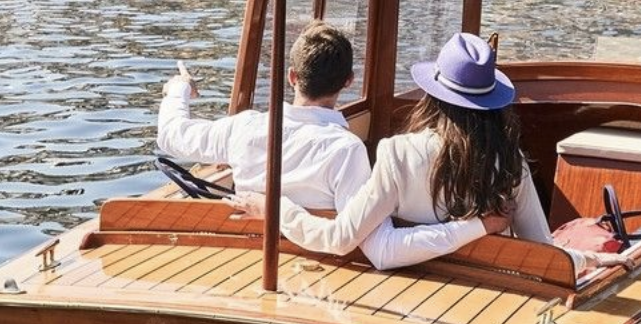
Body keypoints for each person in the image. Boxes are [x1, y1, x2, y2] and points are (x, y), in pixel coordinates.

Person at [247, 30, 585, 273]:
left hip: (405, 291)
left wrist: (276, 209)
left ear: (433, 95)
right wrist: (586, 259)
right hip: (486, 293)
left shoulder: (398, 154)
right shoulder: (511, 165)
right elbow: (544, 256)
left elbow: (345, 240)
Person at [158, 20, 371, 214]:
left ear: (291, 77)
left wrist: (179, 88)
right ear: (349, 81)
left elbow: (172, 136)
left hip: (243, 244)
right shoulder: (347, 150)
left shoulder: (244, 127)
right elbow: (353, 229)